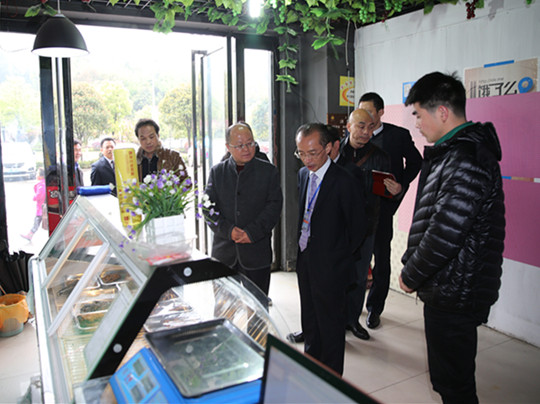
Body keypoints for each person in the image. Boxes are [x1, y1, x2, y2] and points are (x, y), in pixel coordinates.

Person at [400, 72, 505, 404]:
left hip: (456, 289)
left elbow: (446, 232)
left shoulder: (466, 158)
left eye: (419, 114)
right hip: (449, 285)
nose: (417, 124)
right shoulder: (453, 153)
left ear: (442, 112)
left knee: (454, 386)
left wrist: (410, 275)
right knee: (448, 381)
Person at [292, 123, 366, 375]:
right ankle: (311, 369)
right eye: (301, 153)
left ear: (328, 148)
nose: (307, 159)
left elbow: (358, 228)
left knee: (331, 327)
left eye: (313, 153)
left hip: (332, 266)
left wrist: (338, 257)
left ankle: (332, 379)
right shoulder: (303, 175)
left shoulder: (345, 179)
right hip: (306, 259)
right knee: (310, 319)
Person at [358, 92, 422, 329]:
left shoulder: (398, 136)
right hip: (356, 210)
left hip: (383, 209)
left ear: (381, 112)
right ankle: (352, 306)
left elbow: (416, 162)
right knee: (356, 259)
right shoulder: (354, 135)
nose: (365, 118)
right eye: (361, 112)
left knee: (381, 259)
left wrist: (401, 186)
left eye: (370, 112)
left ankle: (375, 309)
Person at [205, 122, 283, 297]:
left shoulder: (268, 171)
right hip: (224, 254)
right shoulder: (217, 172)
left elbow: (274, 207)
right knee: (224, 306)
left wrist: (251, 232)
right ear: (228, 147)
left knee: (257, 307)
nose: (246, 149)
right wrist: (228, 230)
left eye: (250, 143)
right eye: (240, 145)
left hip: (256, 253)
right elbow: (208, 208)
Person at [340, 109, 390, 340]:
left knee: (360, 276)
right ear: (348, 126)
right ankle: (334, 318)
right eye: (361, 126)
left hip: (366, 226)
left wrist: (395, 190)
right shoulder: (334, 151)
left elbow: (384, 192)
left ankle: (352, 320)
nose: (366, 132)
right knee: (335, 273)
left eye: (370, 127)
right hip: (337, 226)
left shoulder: (380, 156)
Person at [134, 118, 188, 183]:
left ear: (158, 136)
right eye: (143, 139)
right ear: (138, 139)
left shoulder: (174, 157)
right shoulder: (133, 160)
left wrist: (167, 187)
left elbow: (186, 183)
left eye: (151, 137)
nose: (148, 142)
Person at [21, 168, 46, 241]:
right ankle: (30, 235)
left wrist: (34, 197)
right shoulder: (44, 183)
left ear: (41, 176)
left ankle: (30, 235)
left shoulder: (41, 185)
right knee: (38, 222)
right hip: (42, 208)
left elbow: (40, 194)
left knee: (37, 222)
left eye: (37, 174)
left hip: (41, 208)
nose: (36, 175)